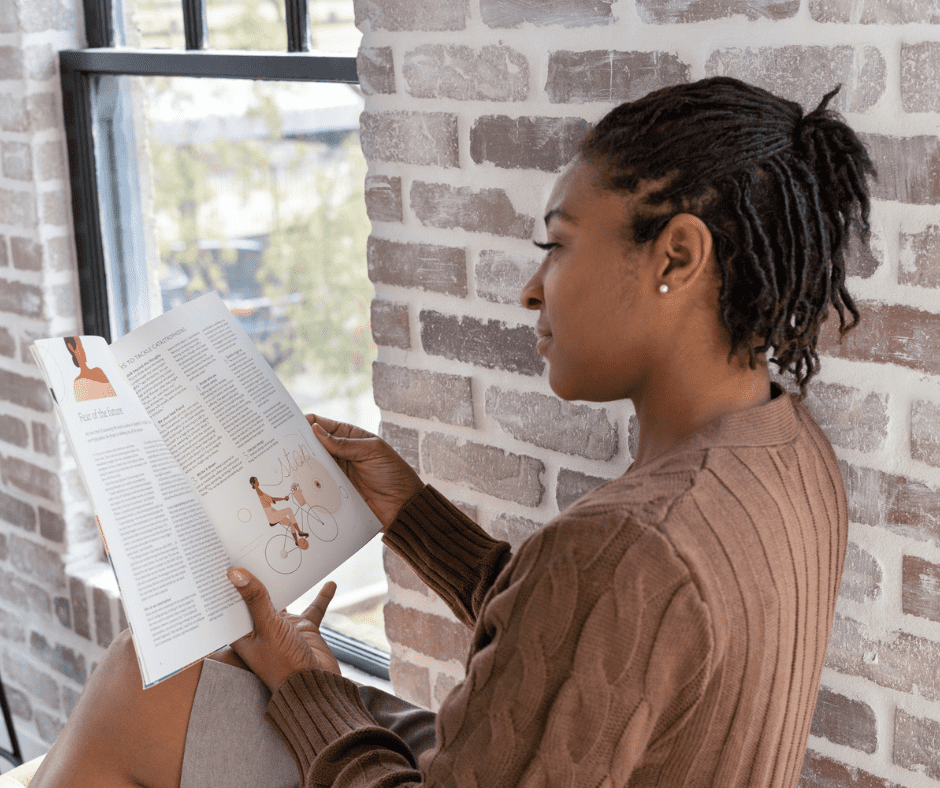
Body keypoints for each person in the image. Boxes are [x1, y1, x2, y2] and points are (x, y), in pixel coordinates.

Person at [31, 75, 875, 788]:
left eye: (558, 245)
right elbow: (596, 649)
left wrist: (307, 684)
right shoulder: (788, 452)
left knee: (137, 684)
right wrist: (411, 515)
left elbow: (604, 602)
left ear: (677, 258)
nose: (533, 288)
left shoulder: (631, 545)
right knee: (180, 672)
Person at [251, 476, 309, 546]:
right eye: (256, 481)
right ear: (253, 483)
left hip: (273, 515)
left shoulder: (259, 491)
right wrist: (284, 499)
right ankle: (299, 531)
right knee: (289, 510)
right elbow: (272, 498)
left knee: (291, 524)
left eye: (257, 480)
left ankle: (296, 541)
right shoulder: (259, 491)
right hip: (272, 516)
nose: (258, 482)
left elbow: (270, 499)